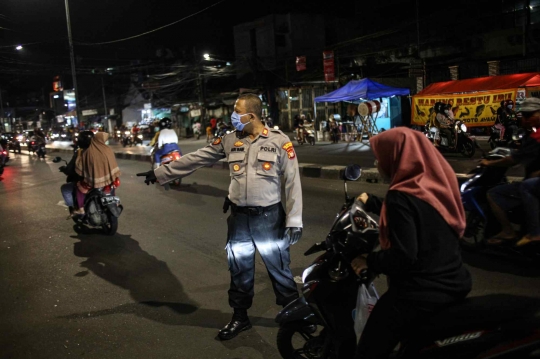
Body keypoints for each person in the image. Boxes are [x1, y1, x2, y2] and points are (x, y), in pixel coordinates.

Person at [137, 93, 303, 341]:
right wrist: (162, 173)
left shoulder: (280, 142)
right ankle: (240, 318)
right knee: (239, 270)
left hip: (269, 218)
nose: (233, 116)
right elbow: (198, 158)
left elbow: (292, 182)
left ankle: (297, 317)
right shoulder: (229, 141)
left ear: (252, 116)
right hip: (239, 220)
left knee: (279, 270)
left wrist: (294, 220)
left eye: (237, 111)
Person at [350, 127, 472, 359]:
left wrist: (369, 261)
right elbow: (418, 213)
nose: (377, 164)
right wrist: (374, 202)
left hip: (421, 292)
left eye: (380, 158)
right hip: (454, 280)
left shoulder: (400, 197)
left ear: (396, 157)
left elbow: (404, 256)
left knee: (369, 350)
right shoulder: (434, 187)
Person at [480, 97, 540, 246]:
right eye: (524, 115)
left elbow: (514, 159)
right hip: (507, 134)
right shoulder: (504, 113)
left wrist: (490, 162)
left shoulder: (536, 136)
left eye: (529, 115)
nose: (525, 119)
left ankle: (515, 232)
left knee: (495, 193)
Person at [73, 132, 121, 215]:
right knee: (111, 187)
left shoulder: (87, 152)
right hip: (110, 179)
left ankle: (81, 209)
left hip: (93, 182)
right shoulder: (108, 150)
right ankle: (115, 203)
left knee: (79, 187)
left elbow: (79, 168)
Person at [59, 130, 94, 217]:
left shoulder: (80, 152)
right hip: (106, 176)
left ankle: (81, 209)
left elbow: (73, 166)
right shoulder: (102, 149)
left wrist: (66, 170)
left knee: (78, 186)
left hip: (90, 178)